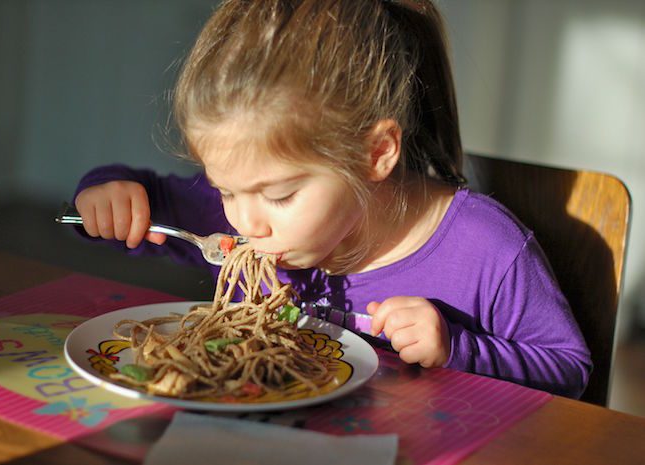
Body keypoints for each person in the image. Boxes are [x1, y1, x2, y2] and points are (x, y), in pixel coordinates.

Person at [72, 0, 591, 398]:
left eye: (280, 195)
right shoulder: (230, 221)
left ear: (376, 153)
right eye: (226, 188)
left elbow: (570, 371)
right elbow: (146, 198)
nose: (246, 222)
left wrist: (459, 348)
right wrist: (110, 192)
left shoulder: (485, 249)